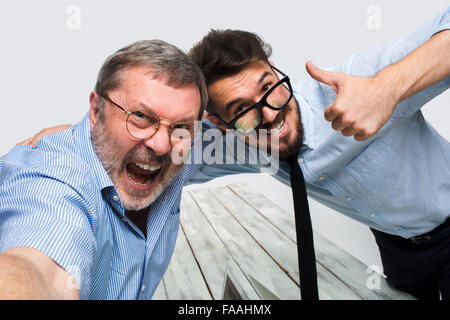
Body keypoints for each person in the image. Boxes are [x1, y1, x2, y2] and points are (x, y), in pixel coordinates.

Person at [187, 6, 450, 300]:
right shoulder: (239, 141)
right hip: (398, 247)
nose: (270, 114)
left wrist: (386, 88)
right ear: (220, 123)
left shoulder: (359, 79)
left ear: (274, 70)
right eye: (242, 109)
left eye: (267, 86)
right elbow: (155, 152)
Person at [0, 39, 210, 299]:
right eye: (141, 117)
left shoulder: (184, 149)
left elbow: (247, 133)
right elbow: (42, 271)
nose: (161, 145)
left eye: (181, 127)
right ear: (96, 110)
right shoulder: (55, 176)